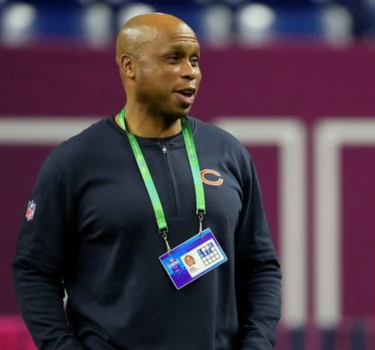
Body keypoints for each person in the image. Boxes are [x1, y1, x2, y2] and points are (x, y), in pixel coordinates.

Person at [13, 13, 282, 350]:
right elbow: (35, 270)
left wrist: (257, 343)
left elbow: (260, 266)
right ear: (130, 66)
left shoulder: (228, 152)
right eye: (174, 58)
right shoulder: (74, 162)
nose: (191, 72)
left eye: (195, 60)